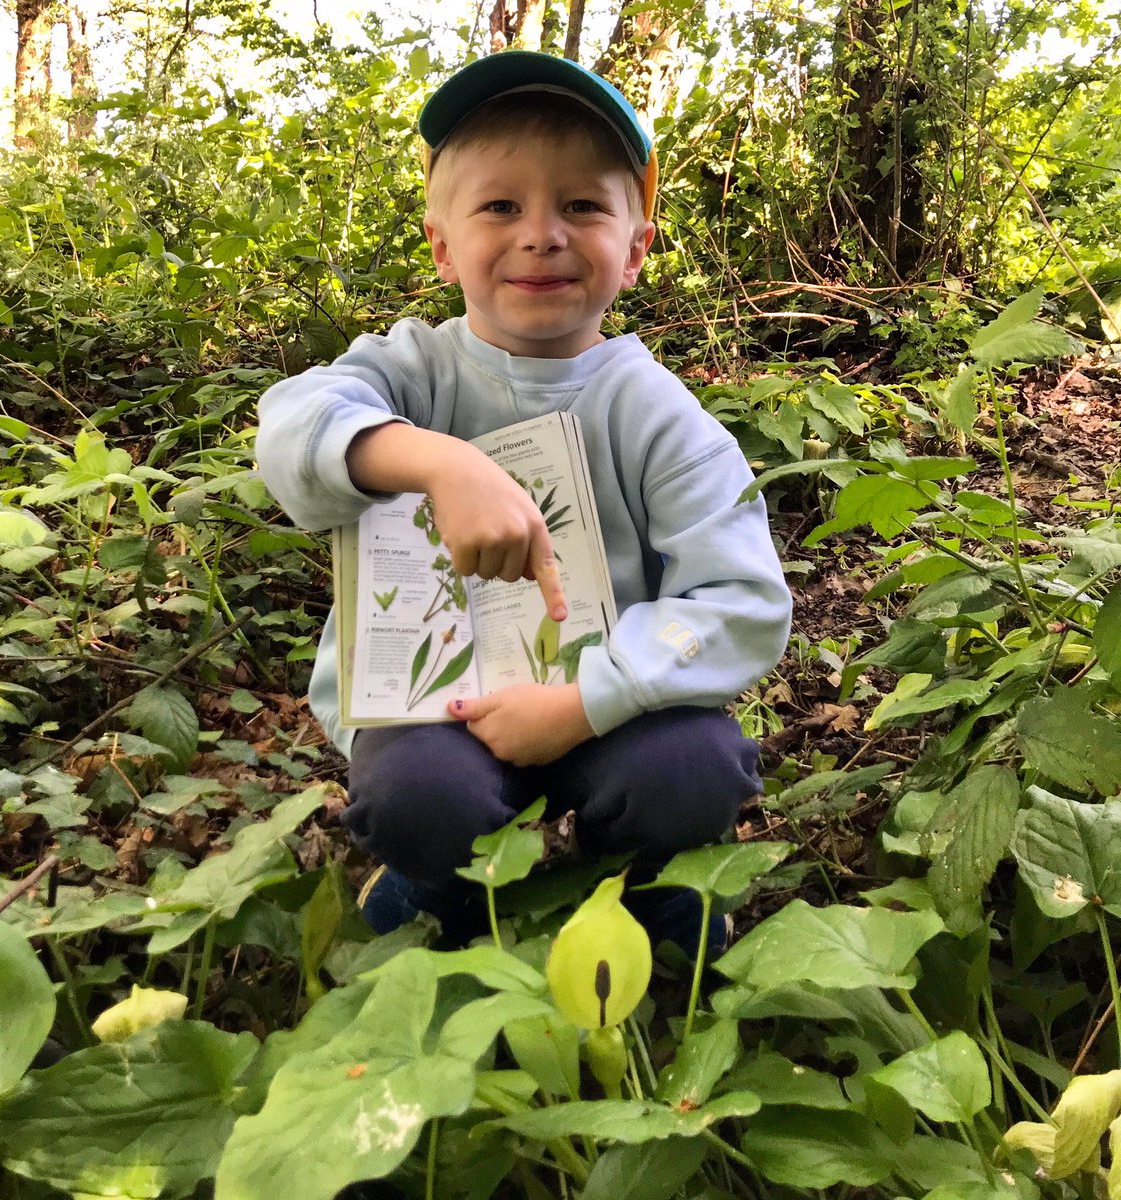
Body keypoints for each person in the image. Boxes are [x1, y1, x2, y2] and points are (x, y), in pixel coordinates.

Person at [255, 51, 792, 954]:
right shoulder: (411, 373)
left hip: (615, 707)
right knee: (417, 799)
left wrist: (589, 698)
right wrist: (433, 462)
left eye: (582, 205)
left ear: (637, 243)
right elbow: (290, 429)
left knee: (693, 771)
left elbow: (743, 600)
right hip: (440, 708)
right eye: (500, 205)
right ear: (442, 243)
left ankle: (646, 889)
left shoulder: (654, 411)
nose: (541, 233)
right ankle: (449, 895)